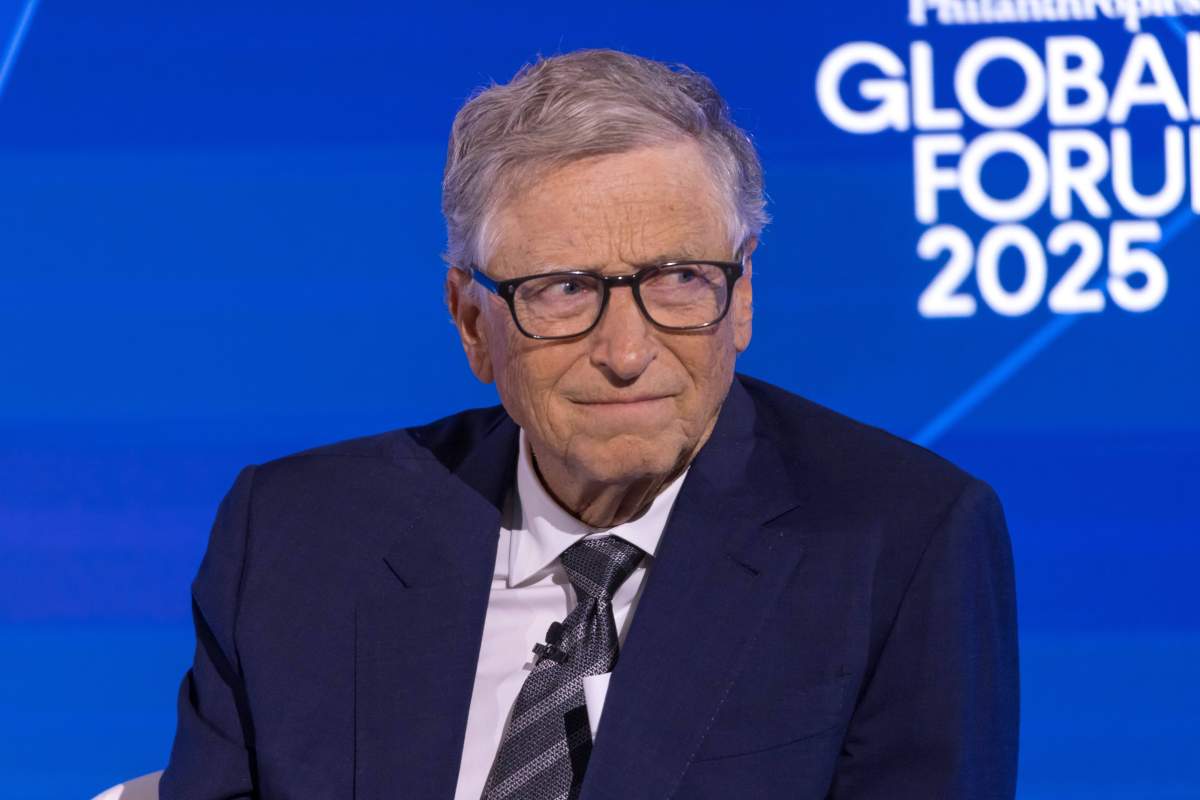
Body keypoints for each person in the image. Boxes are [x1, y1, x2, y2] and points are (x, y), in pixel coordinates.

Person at [159, 48, 1019, 799]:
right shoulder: (297, 537)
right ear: (471, 322)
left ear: (743, 294)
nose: (626, 350)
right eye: (564, 290)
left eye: (679, 278)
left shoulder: (897, 544)